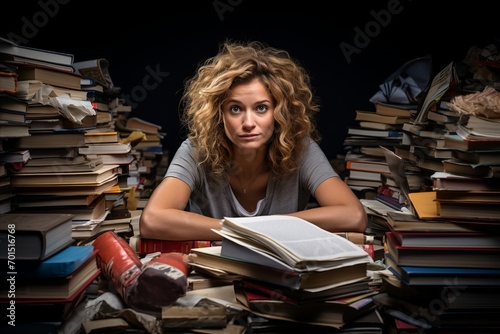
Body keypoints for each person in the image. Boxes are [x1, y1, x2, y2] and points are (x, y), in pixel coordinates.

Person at [140, 40, 367, 241]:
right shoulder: (196, 150)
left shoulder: (301, 149)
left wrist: (262, 227)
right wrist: (244, 230)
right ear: (219, 115)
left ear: (280, 113)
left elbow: (353, 215)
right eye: (235, 109)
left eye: (261, 108)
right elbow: (152, 220)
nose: (248, 122)